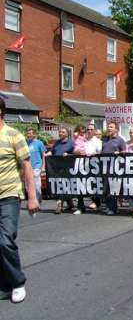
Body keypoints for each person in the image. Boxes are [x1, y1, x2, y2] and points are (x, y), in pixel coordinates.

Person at [0, 97, 39, 303]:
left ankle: (17, 282)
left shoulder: (14, 135)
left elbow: (26, 168)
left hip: (9, 195)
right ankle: (5, 285)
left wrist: (32, 198)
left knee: (4, 240)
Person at [48, 127, 74, 214]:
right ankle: (70, 203)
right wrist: (47, 154)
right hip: (56, 168)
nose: (61, 133)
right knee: (60, 185)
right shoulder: (56, 143)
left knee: (63, 185)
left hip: (67, 168)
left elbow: (76, 155)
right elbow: (52, 152)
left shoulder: (71, 143)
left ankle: (60, 204)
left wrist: (69, 154)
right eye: (60, 132)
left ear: (67, 134)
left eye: (63, 132)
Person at [101, 122, 126, 215]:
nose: (109, 128)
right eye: (108, 127)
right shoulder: (104, 139)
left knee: (112, 188)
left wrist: (118, 153)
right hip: (104, 167)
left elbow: (124, 152)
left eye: (111, 127)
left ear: (116, 129)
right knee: (105, 188)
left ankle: (113, 208)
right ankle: (107, 206)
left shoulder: (120, 140)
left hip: (114, 168)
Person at [25, 127, 46, 206]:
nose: (29, 135)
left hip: (36, 166)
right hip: (28, 167)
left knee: (37, 186)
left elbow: (43, 155)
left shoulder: (39, 143)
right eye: (28, 133)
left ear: (34, 134)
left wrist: (43, 166)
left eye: (30, 133)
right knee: (27, 186)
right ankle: (32, 200)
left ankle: (38, 201)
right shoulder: (25, 143)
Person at [84, 123, 102, 211]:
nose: (90, 131)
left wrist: (93, 154)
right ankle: (93, 201)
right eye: (88, 129)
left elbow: (100, 153)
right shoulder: (84, 140)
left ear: (94, 131)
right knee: (88, 184)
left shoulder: (98, 141)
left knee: (95, 184)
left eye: (91, 129)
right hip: (85, 165)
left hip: (95, 165)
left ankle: (96, 202)